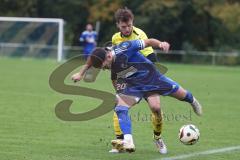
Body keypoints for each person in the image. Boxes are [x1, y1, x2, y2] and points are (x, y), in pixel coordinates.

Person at [71, 38, 203, 153]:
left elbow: (148, 42)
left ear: (109, 57)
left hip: (151, 77)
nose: (104, 69)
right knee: (120, 107)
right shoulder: (103, 58)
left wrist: (160, 43)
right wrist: (81, 74)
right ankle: (128, 141)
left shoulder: (125, 48)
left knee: (165, 103)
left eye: (104, 66)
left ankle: (190, 104)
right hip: (133, 85)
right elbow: (93, 59)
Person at [110, 8, 163, 154]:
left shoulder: (140, 35)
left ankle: (157, 137)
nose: (127, 29)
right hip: (130, 79)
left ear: (132, 22)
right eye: (123, 27)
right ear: (118, 25)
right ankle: (120, 142)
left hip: (148, 76)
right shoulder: (115, 38)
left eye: (129, 26)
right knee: (119, 105)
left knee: (156, 108)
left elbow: (152, 60)